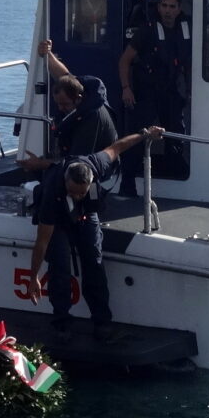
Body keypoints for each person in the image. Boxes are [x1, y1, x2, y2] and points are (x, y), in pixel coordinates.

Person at [20, 126, 164, 342]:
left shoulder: (96, 164)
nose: (77, 196)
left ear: (91, 183)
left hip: (87, 217)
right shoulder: (52, 193)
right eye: (73, 192)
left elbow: (118, 146)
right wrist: (33, 278)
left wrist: (145, 135)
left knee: (94, 263)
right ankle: (61, 323)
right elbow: (41, 242)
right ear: (65, 182)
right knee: (59, 266)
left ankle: (102, 322)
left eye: (82, 192)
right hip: (58, 220)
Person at [117, 0, 191, 190]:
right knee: (138, 135)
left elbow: (188, 63)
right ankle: (128, 182)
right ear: (159, 7)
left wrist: (191, 89)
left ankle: (176, 175)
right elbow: (124, 61)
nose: (167, 10)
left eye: (172, 6)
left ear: (179, 8)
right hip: (146, 91)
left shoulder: (186, 28)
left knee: (176, 133)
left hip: (171, 91)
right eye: (164, 5)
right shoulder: (147, 31)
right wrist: (126, 88)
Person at [24, 40, 117, 171]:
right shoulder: (82, 91)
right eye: (58, 104)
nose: (61, 108)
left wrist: (41, 164)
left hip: (95, 168)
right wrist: (47, 53)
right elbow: (64, 76)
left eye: (65, 104)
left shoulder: (91, 117)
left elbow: (77, 161)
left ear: (78, 98)